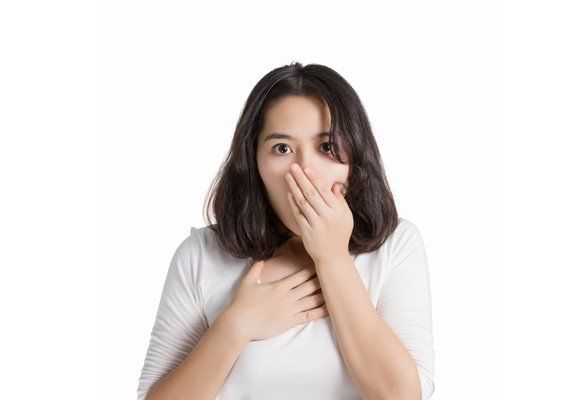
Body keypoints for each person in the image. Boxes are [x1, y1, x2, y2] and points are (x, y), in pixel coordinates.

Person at [137, 62, 435, 400]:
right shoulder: (200, 255)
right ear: (254, 162)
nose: (304, 171)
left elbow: (402, 395)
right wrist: (235, 325)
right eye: (282, 149)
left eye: (327, 147)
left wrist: (332, 258)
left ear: (355, 158)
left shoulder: (396, 246)